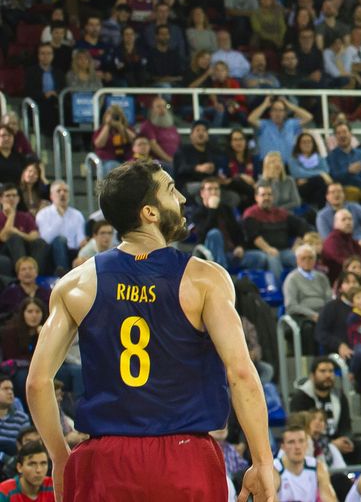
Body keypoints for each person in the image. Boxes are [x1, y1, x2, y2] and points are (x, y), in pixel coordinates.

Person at [24, 160, 274, 500]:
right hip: (185, 458)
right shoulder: (205, 279)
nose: (182, 198)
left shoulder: (75, 284)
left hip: (104, 461)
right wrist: (262, 460)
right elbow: (241, 373)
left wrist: (59, 457)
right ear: (150, 212)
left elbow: (37, 383)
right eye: (171, 190)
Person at [289, 358, 361, 466]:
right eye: (323, 371)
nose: (328, 375)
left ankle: (348, 476)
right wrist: (330, 444)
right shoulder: (300, 398)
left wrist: (346, 439)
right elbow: (298, 428)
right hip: (312, 441)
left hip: (336, 440)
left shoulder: (339, 396)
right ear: (312, 375)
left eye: (331, 371)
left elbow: (346, 426)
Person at [275, 425, 337, 502]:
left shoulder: (318, 467)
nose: (297, 447)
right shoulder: (274, 469)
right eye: (291, 442)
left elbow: (329, 498)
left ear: (307, 444)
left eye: (301, 441)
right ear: (283, 447)